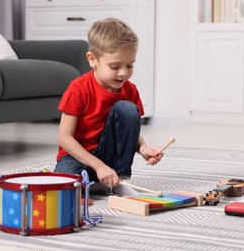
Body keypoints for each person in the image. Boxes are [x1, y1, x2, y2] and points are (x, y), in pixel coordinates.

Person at [54, 18, 163, 194]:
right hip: (78, 156)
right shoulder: (78, 89)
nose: (123, 73)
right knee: (62, 188)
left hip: (110, 158)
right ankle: (98, 182)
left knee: (127, 109)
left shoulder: (130, 90)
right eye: (115, 66)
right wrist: (98, 166)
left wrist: (142, 148)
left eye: (129, 65)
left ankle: (117, 180)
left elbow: (129, 133)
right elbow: (65, 138)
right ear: (92, 59)